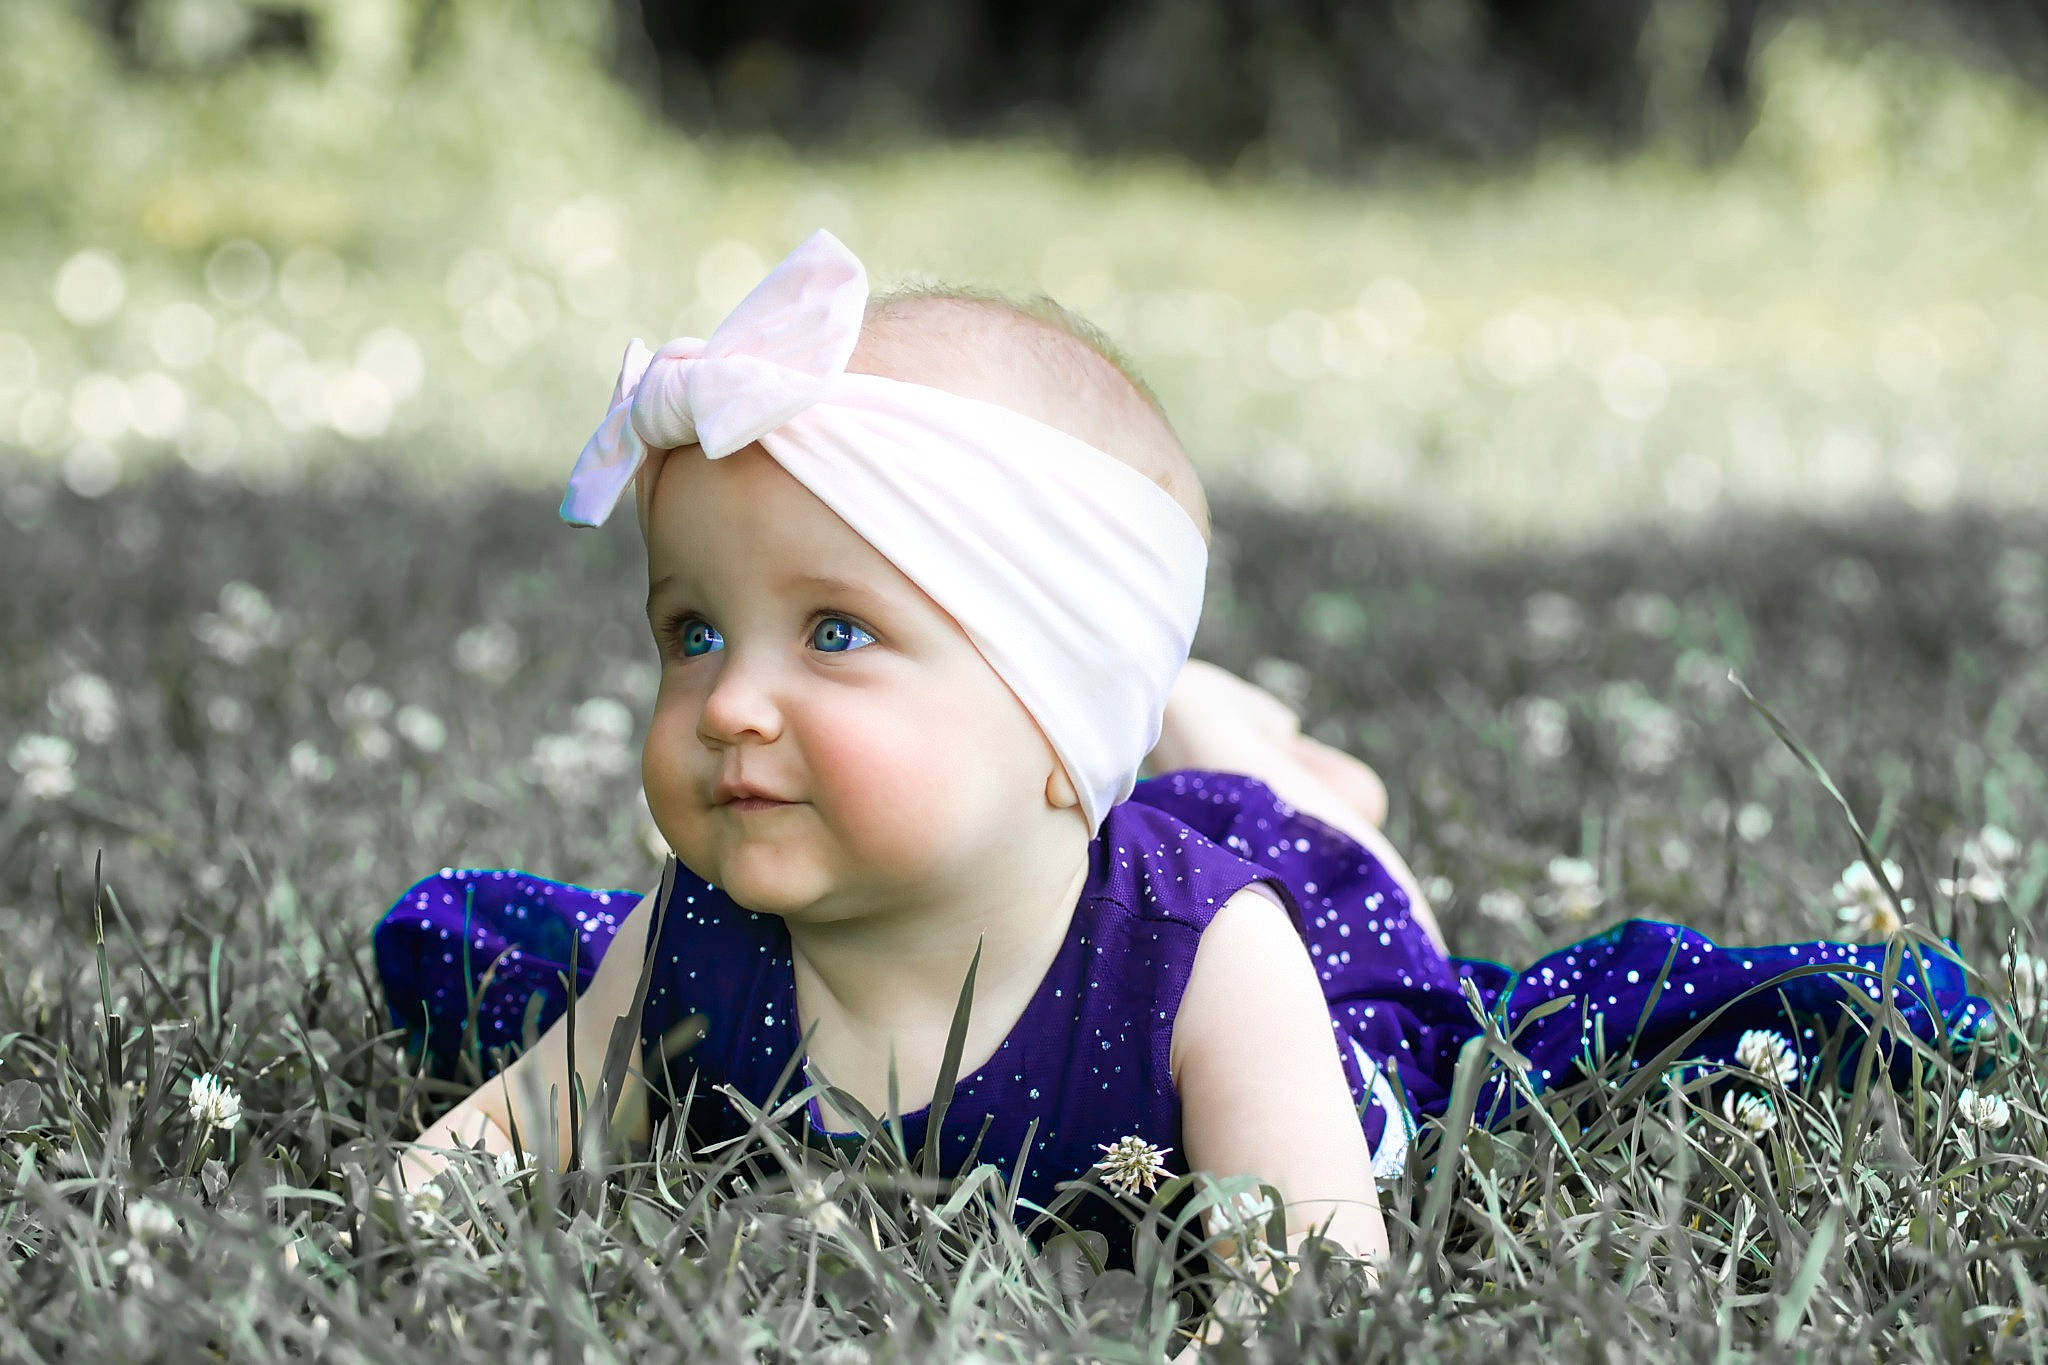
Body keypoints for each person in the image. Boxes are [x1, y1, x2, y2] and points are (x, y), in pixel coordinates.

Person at [375, 230, 1991, 1277]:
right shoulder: (698, 927)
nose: (730, 703)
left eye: (838, 635)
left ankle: (1277, 770)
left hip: (1308, 938)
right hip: (1109, 791)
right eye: (694, 632)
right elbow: (540, 1114)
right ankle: (1213, 727)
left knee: (1350, 888)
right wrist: (425, 1207)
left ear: (1057, 725)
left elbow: (1311, 1262)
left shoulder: (1214, 961)